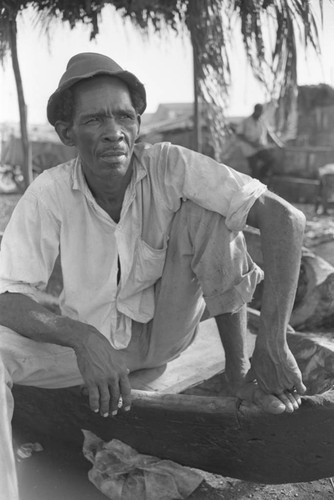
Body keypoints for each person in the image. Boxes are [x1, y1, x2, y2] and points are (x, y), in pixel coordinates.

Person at [0, 53, 306, 499]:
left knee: (211, 213)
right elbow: (8, 295)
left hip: (164, 337)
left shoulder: (169, 165)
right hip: (92, 355)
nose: (113, 131)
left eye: (125, 116)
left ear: (138, 125)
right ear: (67, 133)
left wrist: (274, 343)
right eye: (94, 120)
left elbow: (287, 220)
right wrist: (83, 338)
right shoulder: (49, 191)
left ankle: (239, 373)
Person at [236, 103, 284, 183]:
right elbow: (239, 135)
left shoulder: (262, 121)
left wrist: (278, 143)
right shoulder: (246, 121)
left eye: (262, 112)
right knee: (254, 170)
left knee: (271, 160)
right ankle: (255, 184)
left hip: (260, 147)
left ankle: (261, 176)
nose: (261, 113)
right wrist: (251, 143)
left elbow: (269, 133)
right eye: (259, 111)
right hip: (249, 149)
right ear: (255, 110)